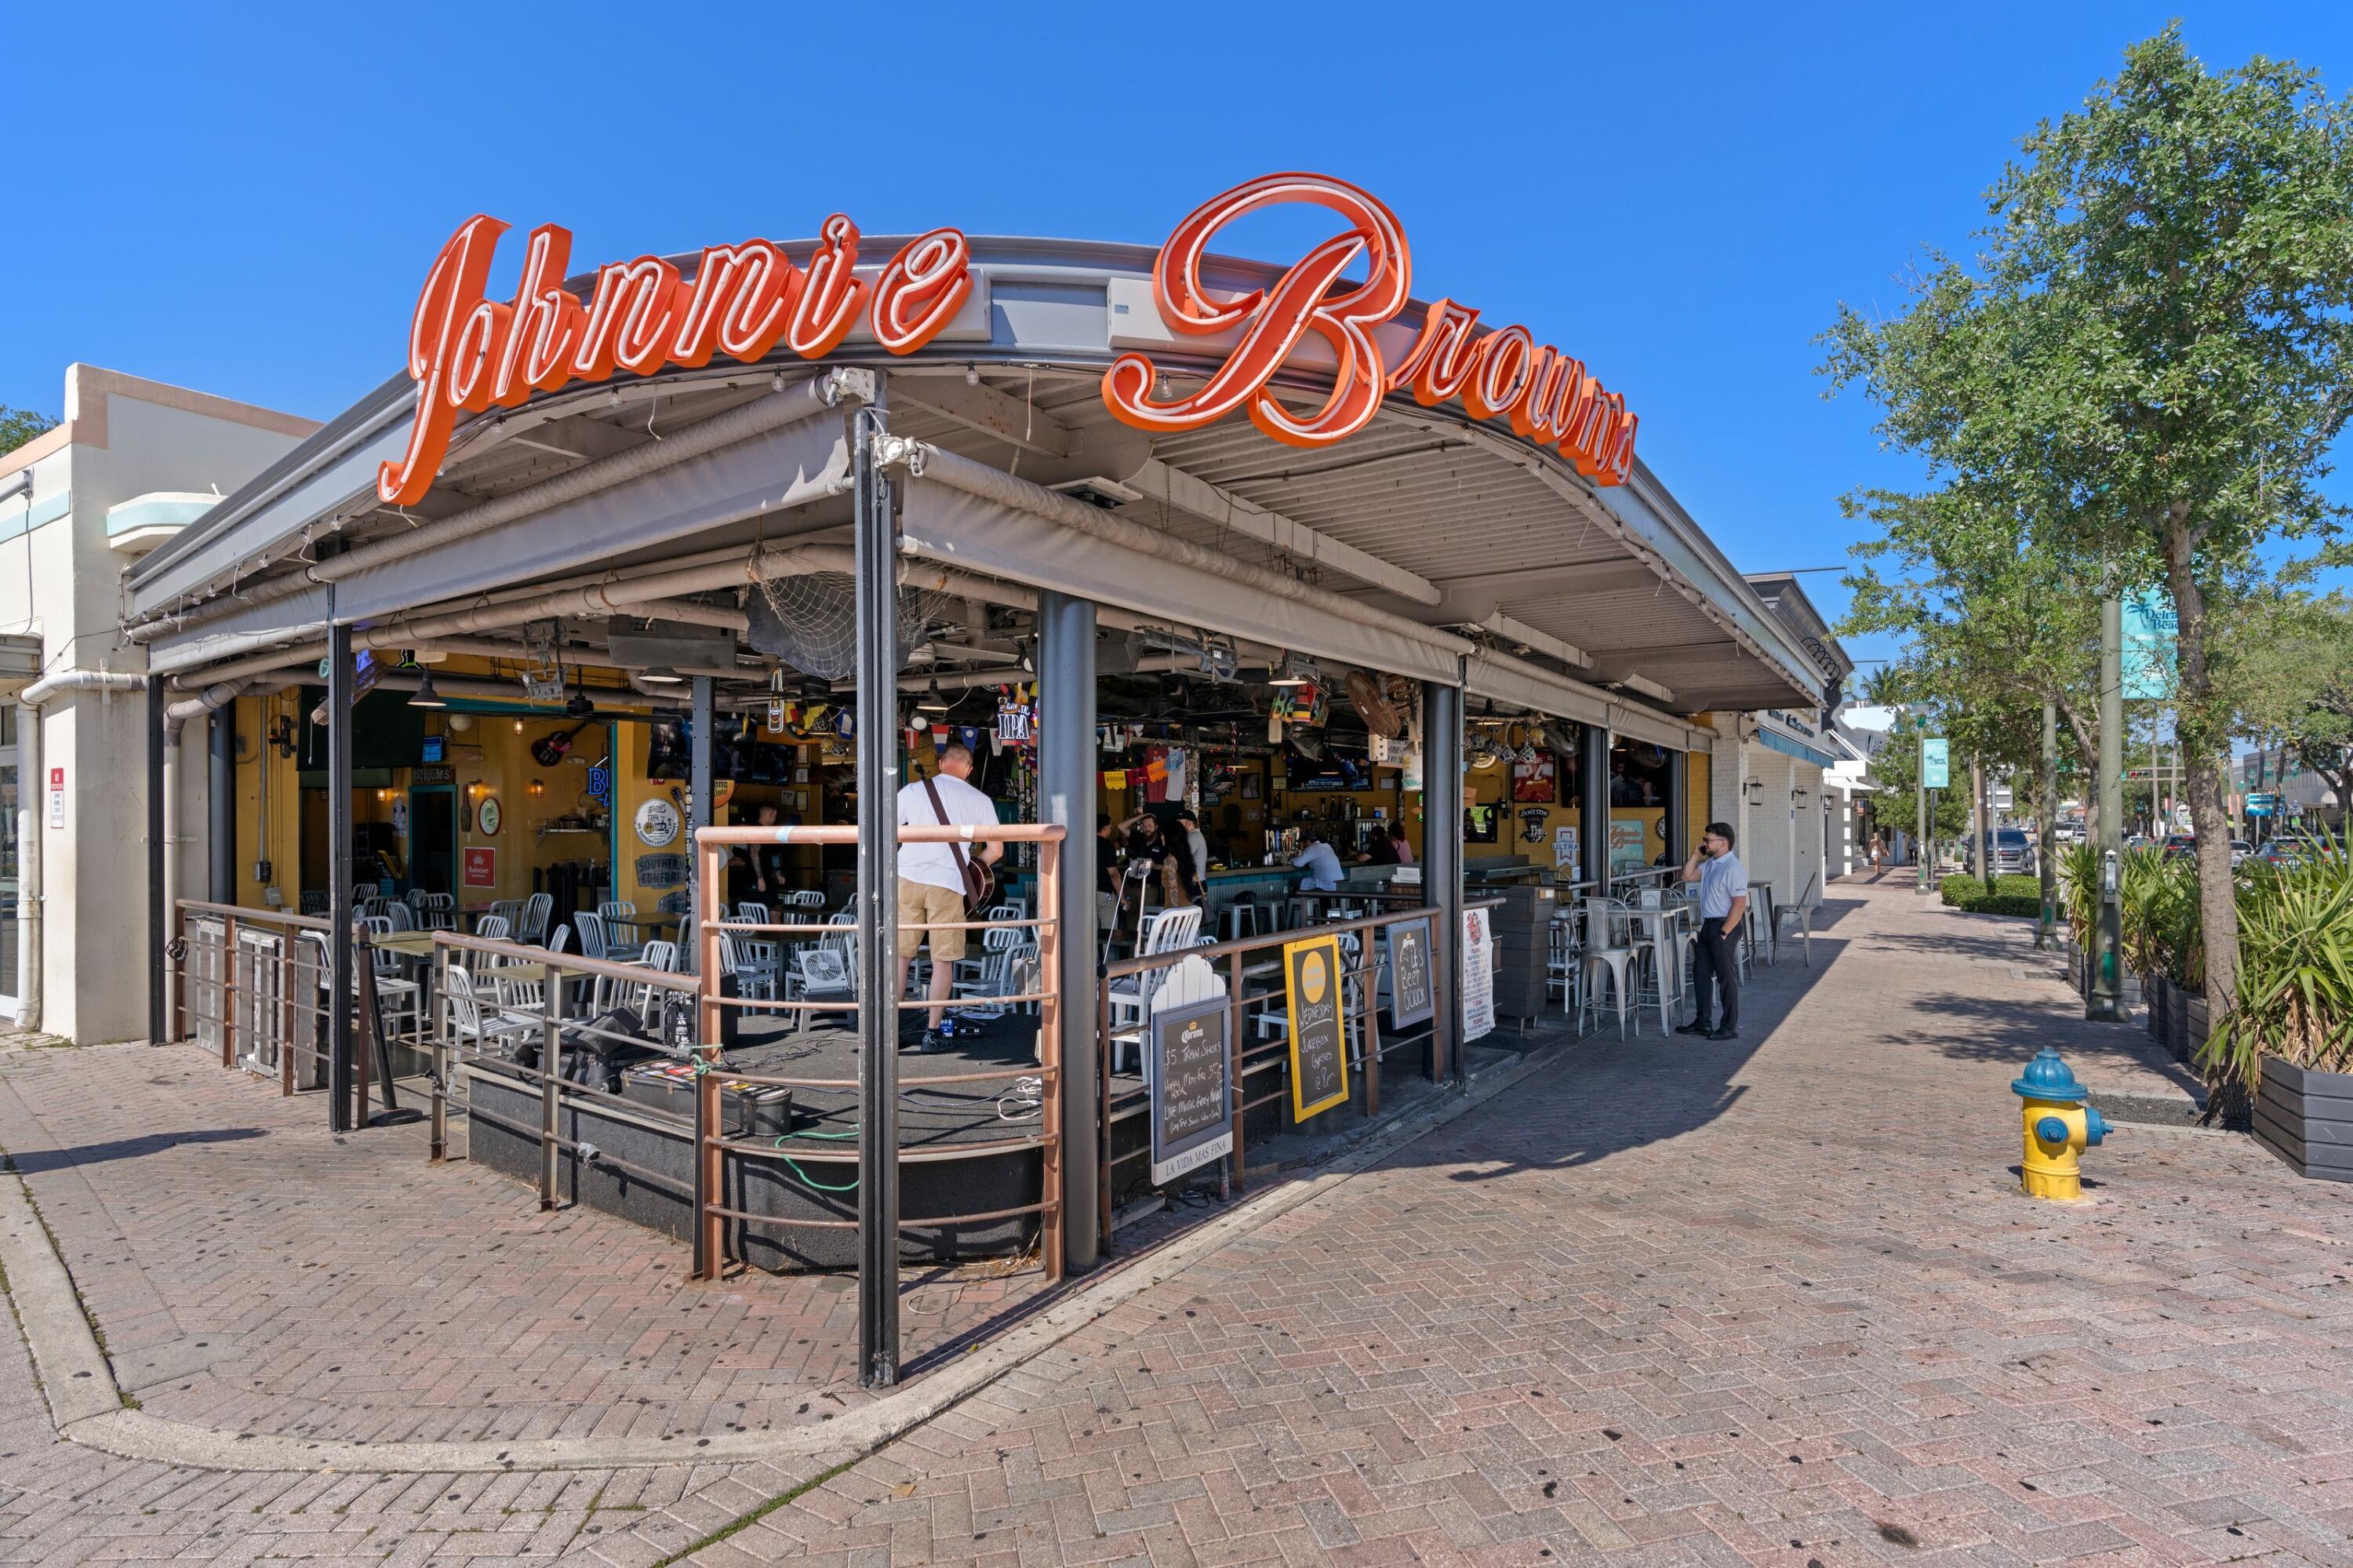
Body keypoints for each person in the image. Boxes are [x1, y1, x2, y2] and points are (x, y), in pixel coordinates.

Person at [895, 744, 1003, 1051]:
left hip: (907, 878)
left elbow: (887, 832)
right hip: (947, 884)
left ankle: (890, 1030)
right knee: (942, 960)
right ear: (969, 770)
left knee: (901, 957)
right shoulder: (980, 800)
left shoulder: (912, 791)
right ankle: (932, 1033)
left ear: (941, 763)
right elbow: (996, 850)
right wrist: (972, 868)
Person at [1675, 820, 1747, 1041]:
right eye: (1704, 839)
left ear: (1723, 843)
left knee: (1726, 977)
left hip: (1724, 926)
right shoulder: (1711, 864)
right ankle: (1703, 1022)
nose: (1705, 843)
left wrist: (1724, 933)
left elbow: (1739, 905)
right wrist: (1695, 855)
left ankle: (1729, 1027)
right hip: (1708, 925)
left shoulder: (1733, 868)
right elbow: (1687, 877)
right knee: (1700, 974)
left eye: (1708, 840)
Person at [1290, 827, 1345, 893]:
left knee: (1293, 881)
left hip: (1326, 886)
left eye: (1303, 843)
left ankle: (1301, 900)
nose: (1303, 846)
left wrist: (1291, 858)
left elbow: (1297, 863)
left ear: (1308, 841)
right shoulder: (1327, 846)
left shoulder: (1312, 848)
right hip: (1340, 885)